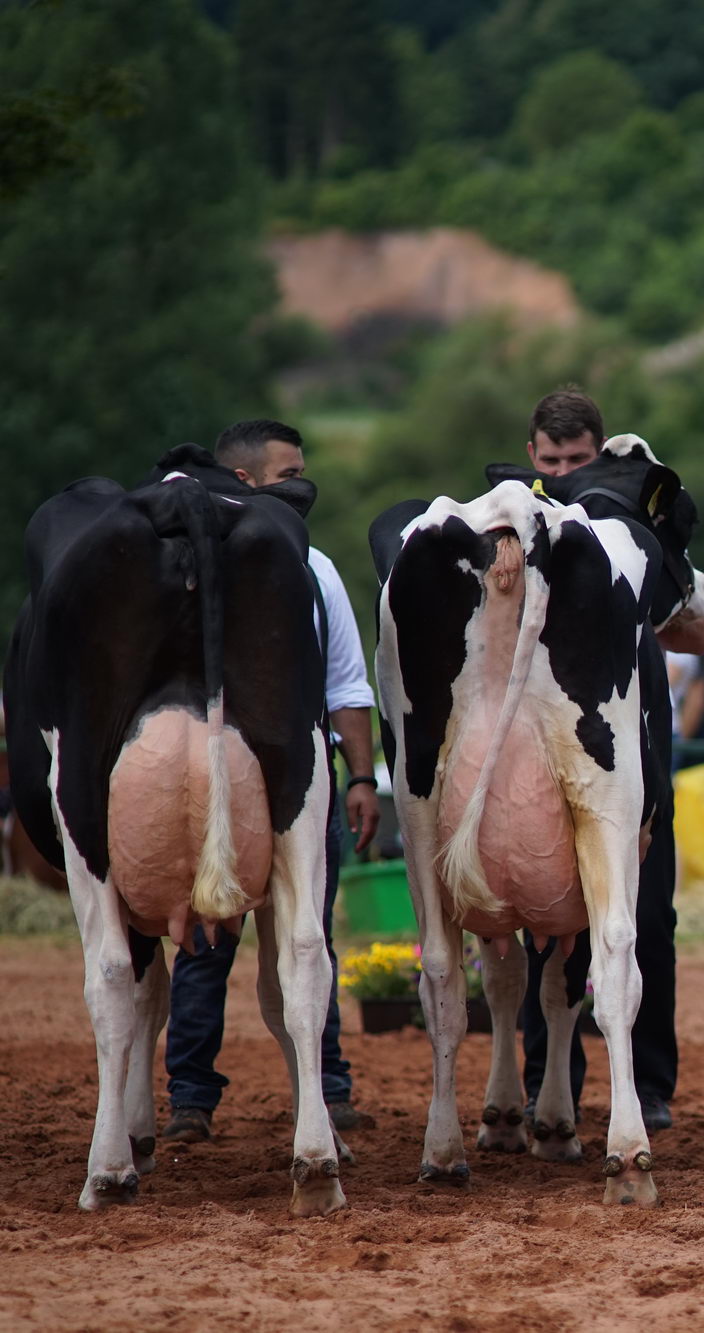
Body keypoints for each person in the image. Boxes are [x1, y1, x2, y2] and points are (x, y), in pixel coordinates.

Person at [160, 420, 382, 1143]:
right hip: (213, 779)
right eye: (290, 474)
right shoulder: (182, 567)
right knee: (205, 942)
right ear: (244, 483)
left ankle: (327, 1082)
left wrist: (359, 777)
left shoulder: (315, 568)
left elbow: (348, 684)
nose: (303, 486)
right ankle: (190, 1096)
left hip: (304, 785)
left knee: (306, 939)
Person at [515, 386, 700, 1134]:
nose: (565, 472)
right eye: (553, 460)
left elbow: (698, 632)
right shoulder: (511, 522)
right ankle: (547, 1082)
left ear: (603, 455)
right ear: (533, 458)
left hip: (634, 746)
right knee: (542, 921)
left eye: (579, 459)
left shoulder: (638, 524)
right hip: (539, 751)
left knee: (647, 918)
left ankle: (651, 1083)